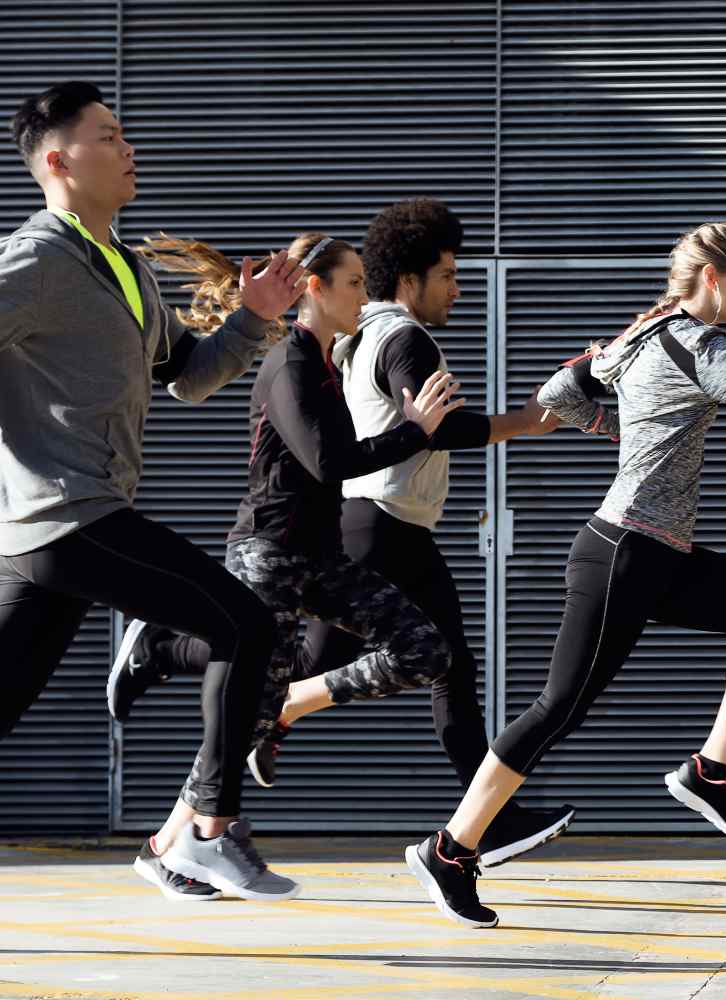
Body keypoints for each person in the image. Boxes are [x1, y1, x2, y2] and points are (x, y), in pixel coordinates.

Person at [122, 197, 578, 869]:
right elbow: (411, 434)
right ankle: (168, 655)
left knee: (317, 669)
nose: (456, 288)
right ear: (409, 280)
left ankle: (170, 834)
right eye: (448, 275)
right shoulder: (390, 340)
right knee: (384, 666)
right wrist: (523, 421)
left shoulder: (344, 346)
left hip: (360, 527)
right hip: (366, 526)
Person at [404, 222, 726, 928]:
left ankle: (710, 774)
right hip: (624, 553)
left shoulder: (644, 334)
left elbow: (559, 391)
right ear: (715, 281)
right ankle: (450, 850)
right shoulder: (698, 343)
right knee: (558, 708)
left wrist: (623, 430)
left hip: (656, 554)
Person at [1, 81, 305, 901]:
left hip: (62, 529)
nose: (127, 146)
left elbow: (188, 377)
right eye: (108, 135)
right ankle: (207, 830)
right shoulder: (34, 259)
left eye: (124, 132)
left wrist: (251, 316)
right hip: (65, 514)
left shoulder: (124, 267)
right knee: (247, 622)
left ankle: (157, 673)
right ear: (60, 161)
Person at [107, 232, 464, 899]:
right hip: (269, 551)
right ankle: (164, 661)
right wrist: (414, 429)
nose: (365, 293)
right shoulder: (291, 364)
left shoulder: (328, 362)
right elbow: (328, 463)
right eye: (354, 283)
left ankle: (168, 830)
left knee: (423, 650)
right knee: (248, 708)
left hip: (319, 554)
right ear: (314, 289)